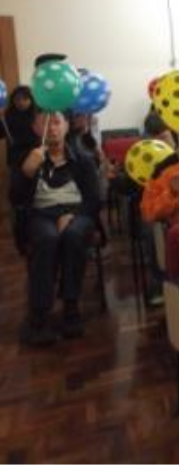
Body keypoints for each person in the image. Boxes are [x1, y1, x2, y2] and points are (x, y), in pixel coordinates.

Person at [10, 109, 100, 345]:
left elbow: (94, 200)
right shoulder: (29, 157)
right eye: (45, 123)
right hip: (40, 215)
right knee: (47, 238)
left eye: (57, 122)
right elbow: (16, 200)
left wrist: (72, 215)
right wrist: (26, 172)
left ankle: (71, 307)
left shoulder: (83, 159)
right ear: (35, 128)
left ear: (67, 126)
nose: (52, 128)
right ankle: (39, 315)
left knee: (73, 235)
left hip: (77, 213)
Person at [3, 86, 38, 167]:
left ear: (31, 100)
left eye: (25, 99)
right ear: (13, 100)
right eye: (17, 99)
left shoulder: (37, 115)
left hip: (34, 158)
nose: (21, 102)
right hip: (16, 160)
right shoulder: (8, 115)